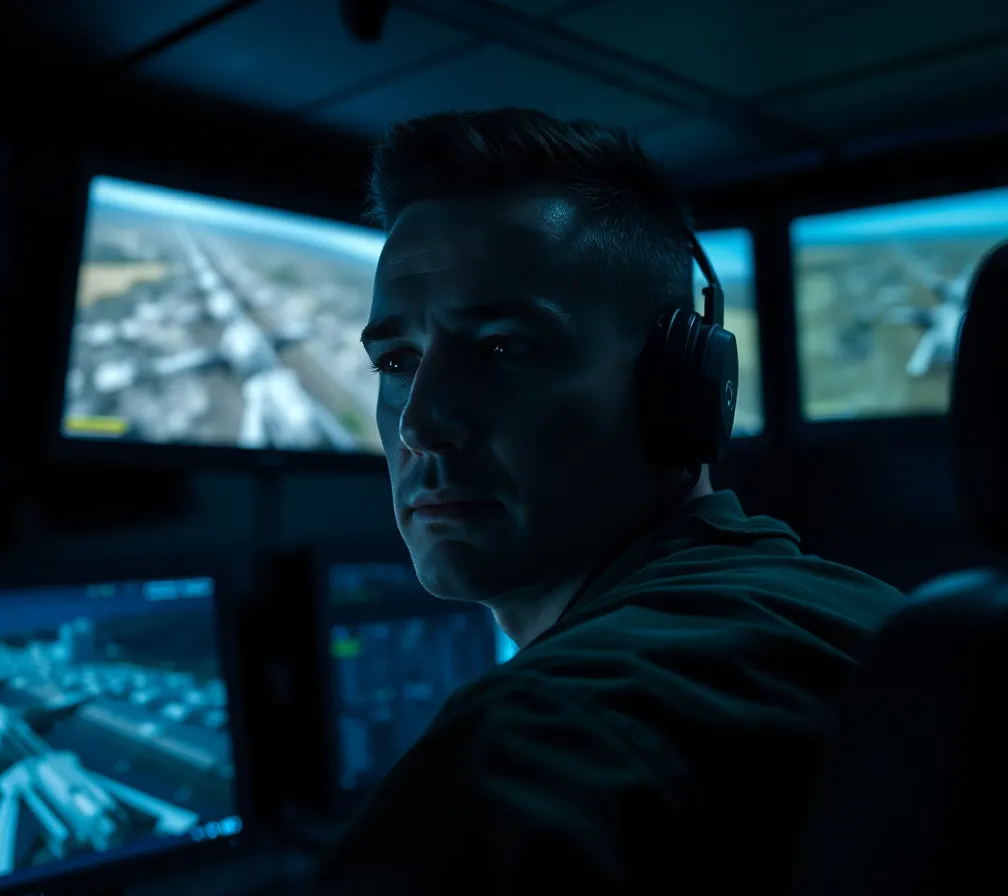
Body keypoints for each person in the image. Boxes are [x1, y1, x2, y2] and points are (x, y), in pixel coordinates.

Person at [316, 109, 903, 893]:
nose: (423, 423)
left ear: (680, 387)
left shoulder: (525, 756)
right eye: (396, 360)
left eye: (502, 348)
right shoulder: (865, 619)